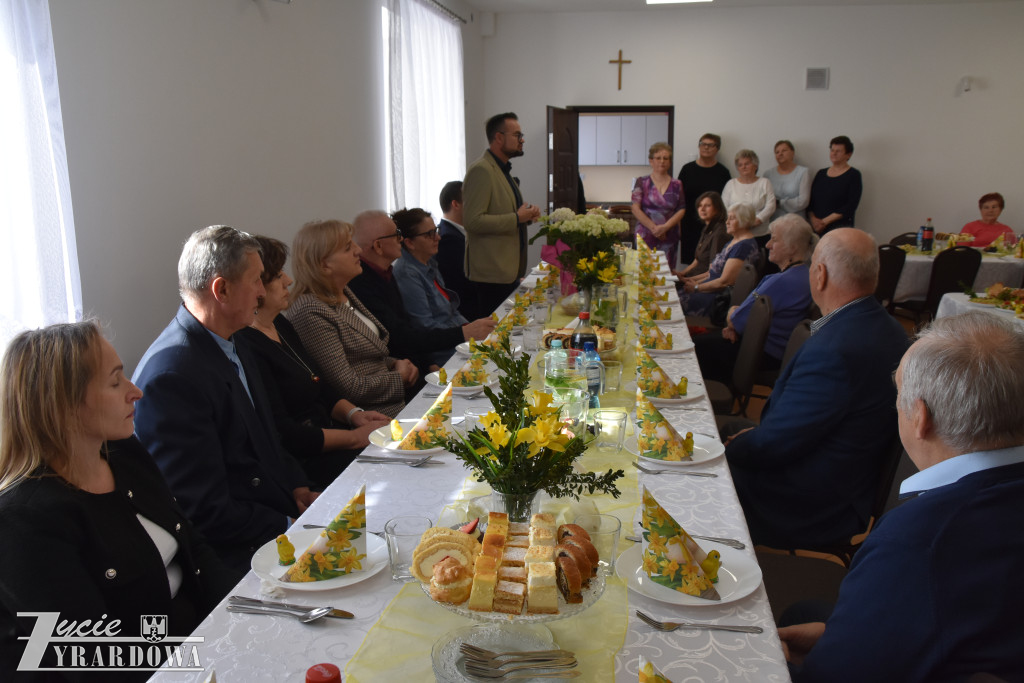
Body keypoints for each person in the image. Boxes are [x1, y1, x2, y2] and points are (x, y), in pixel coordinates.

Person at [779, 312, 1024, 682]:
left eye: (899, 395)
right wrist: (842, 638)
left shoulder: (918, 540)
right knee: (805, 613)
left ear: (921, 418)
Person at [0, 322, 240, 679]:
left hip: (201, 641)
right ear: (64, 405)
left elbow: (192, 544)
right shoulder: (24, 520)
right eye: (115, 383)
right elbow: (93, 659)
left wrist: (244, 610)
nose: (135, 392)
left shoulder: (124, 453)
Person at [133, 226, 315, 572]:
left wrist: (296, 487)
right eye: (256, 280)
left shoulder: (234, 337)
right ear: (222, 289)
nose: (262, 291)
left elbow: (265, 437)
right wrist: (289, 526)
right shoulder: (172, 378)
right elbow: (203, 509)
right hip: (233, 553)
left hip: (270, 513)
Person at [724, 228, 909, 549]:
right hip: (845, 478)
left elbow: (776, 444)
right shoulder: (890, 329)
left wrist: (731, 447)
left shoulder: (836, 349)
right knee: (726, 433)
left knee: (696, 470)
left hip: (808, 503)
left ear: (820, 274)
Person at [237, 236, 390, 489]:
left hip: (330, 433)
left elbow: (317, 381)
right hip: (305, 461)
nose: (288, 280)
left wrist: (355, 415)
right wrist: (354, 437)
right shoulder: (248, 344)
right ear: (257, 285)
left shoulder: (279, 323)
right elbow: (285, 432)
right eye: (278, 276)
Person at [286, 219, 419, 418]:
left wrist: (396, 364)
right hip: (370, 417)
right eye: (348, 248)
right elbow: (348, 387)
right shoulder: (310, 310)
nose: (358, 250)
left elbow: (365, 356)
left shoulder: (343, 292)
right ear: (324, 264)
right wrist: (399, 376)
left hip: (392, 403)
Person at [347, 210, 495, 373]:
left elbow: (408, 326)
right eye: (396, 235)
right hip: (410, 363)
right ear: (378, 246)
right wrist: (464, 333)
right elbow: (402, 335)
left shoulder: (387, 272)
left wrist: (426, 362)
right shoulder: (368, 282)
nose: (400, 239)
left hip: (425, 354)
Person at [694, 215, 817, 383]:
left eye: (774, 240)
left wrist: (733, 315)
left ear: (792, 248)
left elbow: (736, 319)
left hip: (757, 353)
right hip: (771, 352)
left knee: (694, 348)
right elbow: (742, 319)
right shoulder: (805, 274)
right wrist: (736, 323)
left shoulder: (780, 281)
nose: (767, 245)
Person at [462, 112, 541, 319]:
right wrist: (517, 218)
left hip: (507, 272)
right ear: (498, 137)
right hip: (491, 276)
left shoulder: (502, 171)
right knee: (495, 334)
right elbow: (472, 221)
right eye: (517, 135)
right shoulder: (482, 170)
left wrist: (526, 216)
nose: (522, 140)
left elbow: (505, 214)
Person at [678, 203, 760, 317]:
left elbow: (725, 282)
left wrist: (697, 287)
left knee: (674, 303)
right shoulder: (733, 241)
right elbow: (712, 273)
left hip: (719, 298)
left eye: (732, 218)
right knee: (674, 295)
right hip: (710, 289)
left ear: (744, 221)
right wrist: (689, 280)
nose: (727, 222)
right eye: (728, 218)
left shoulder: (743, 247)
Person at [677, 133, 732, 265]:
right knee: (691, 261)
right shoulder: (687, 169)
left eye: (711, 145)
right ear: (699, 146)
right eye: (703, 144)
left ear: (717, 149)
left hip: (714, 225)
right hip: (689, 223)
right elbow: (679, 199)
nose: (706, 147)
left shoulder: (723, 172)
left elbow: (725, 201)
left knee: (712, 261)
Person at [631, 142, 686, 265]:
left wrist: (665, 227)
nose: (662, 161)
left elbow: (681, 209)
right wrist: (654, 228)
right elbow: (635, 208)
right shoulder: (641, 182)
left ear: (670, 162)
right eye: (658, 158)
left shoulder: (677, 184)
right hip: (646, 234)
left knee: (666, 272)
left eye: (665, 158)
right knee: (645, 271)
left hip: (669, 234)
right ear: (651, 161)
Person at [808, 136, 862, 234]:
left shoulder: (854, 175)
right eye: (832, 150)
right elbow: (811, 202)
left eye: (838, 151)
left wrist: (824, 222)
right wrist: (813, 220)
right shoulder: (821, 173)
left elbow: (851, 205)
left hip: (840, 228)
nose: (834, 153)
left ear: (848, 154)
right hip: (816, 227)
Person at [673, 191, 729, 281]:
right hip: (693, 277)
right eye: (700, 205)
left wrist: (686, 280)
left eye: (707, 206)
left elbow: (713, 272)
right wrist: (681, 274)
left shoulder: (719, 234)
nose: (702, 209)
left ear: (718, 208)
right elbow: (697, 260)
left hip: (702, 283)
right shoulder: (707, 228)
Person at [435, 180, 473, 316]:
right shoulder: (448, 238)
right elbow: (465, 282)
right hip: (466, 312)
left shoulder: (458, 232)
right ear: (455, 204)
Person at [721, 149, 776, 236]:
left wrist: (758, 220)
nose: (743, 167)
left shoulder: (765, 182)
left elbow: (771, 206)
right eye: (740, 165)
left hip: (761, 233)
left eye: (747, 164)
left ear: (755, 166)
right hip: (737, 232)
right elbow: (724, 206)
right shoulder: (730, 184)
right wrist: (738, 222)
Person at [763, 140, 811, 221]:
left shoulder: (803, 172)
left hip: (796, 221)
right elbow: (765, 200)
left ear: (793, 153)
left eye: (784, 150)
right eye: (777, 152)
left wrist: (779, 203)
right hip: (774, 222)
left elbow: (803, 201)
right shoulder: (768, 174)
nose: (780, 154)